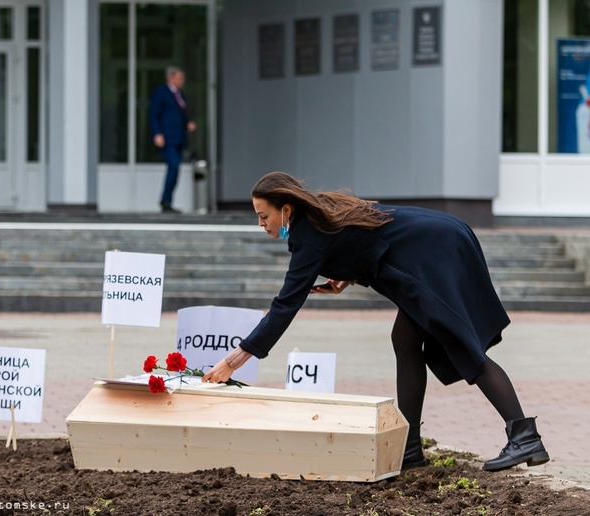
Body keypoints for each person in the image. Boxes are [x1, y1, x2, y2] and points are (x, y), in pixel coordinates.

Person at [202, 171, 550, 473]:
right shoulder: (318, 214)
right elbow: (360, 238)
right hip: (439, 241)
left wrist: (234, 360)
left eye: (264, 216)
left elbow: (285, 306)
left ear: (286, 209)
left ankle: (524, 437)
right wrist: (346, 275)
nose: (261, 225)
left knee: (462, 345)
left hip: (434, 253)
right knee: (405, 339)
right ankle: (410, 449)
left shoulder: (307, 236)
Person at [148, 66, 196, 213]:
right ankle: (165, 200)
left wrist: (188, 122)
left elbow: (181, 113)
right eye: (179, 78)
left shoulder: (180, 94)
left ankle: (168, 200)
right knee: (174, 165)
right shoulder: (161, 92)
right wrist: (157, 133)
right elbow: (154, 114)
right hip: (166, 137)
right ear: (171, 77)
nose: (182, 81)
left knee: (175, 168)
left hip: (179, 137)